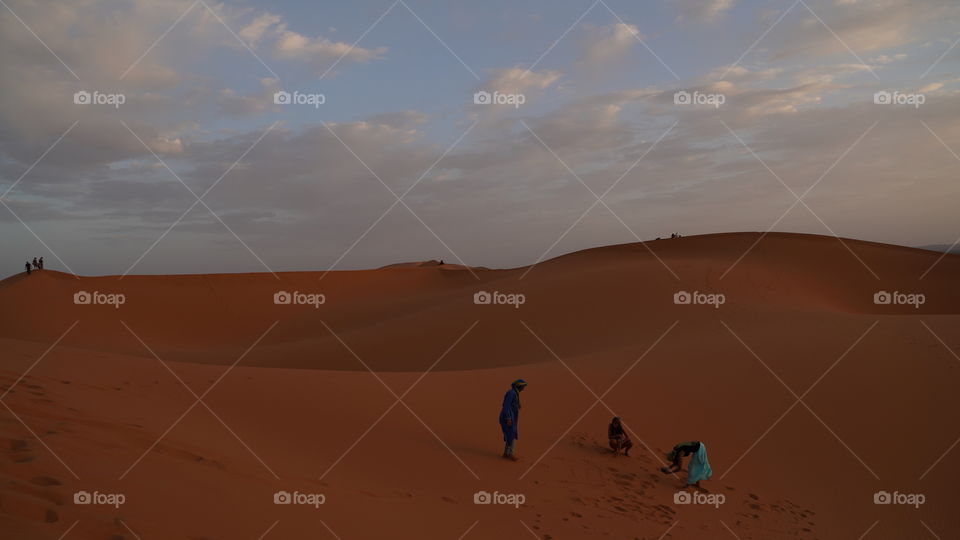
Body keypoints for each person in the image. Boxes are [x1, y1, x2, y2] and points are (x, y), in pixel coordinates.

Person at [499, 379, 527, 461]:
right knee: (512, 434)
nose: (523, 389)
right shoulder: (512, 393)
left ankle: (506, 453)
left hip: (512, 416)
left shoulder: (515, 393)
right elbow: (506, 406)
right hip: (508, 417)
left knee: (510, 434)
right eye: (523, 387)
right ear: (519, 386)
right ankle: (511, 453)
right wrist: (508, 418)